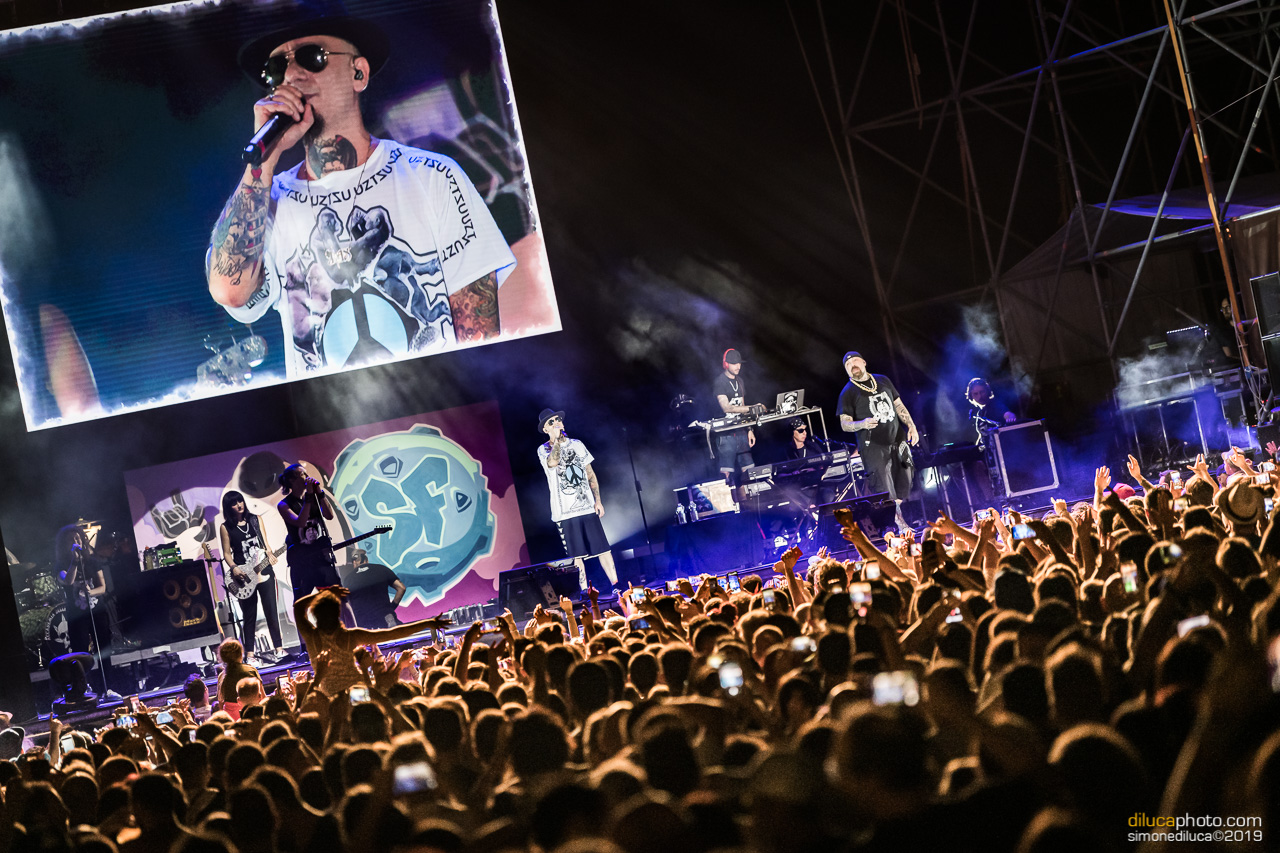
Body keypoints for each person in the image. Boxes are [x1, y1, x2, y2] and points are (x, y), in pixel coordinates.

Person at [206, 15, 517, 374]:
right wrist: (262, 163)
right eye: (276, 69)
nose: (291, 75)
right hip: (333, 408)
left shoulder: (433, 176)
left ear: (359, 74)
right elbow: (230, 290)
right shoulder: (269, 202)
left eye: (312, 57)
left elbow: (480, 334)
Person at [536, 408, 620, 593]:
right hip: (565, 513)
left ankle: (616, 586)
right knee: (577, 555)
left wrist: (598, 500)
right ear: (545, 429)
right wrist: (556, 440)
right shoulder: (544, 449)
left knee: (603, 549)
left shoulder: (577, 444)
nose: (556, 423)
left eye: (558, 419)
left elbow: (590, 473)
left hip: (587, 507)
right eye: (551, 422)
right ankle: (585, 591)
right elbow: (552, 463)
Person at [837, 351, 919, 529]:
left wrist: (911, 426)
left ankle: (896, 518)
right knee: (885, 488)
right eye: (848, 364)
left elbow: (898, 405)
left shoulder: (882, 380)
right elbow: (844, 424)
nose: (852, 365)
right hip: (872, 446)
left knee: (905, 477)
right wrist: (863, 423)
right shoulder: (847, 392)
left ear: (864, 362)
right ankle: (900, 525)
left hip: (897, 438)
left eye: (855, 361)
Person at [219, 491, 286, 664]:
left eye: (240, 501)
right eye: (234, 503)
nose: (239, 505)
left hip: (264, 570)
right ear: (229, 507)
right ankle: (250, 655)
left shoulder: (256, 519)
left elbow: (265, 544)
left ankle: (279, 649)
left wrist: (270, 555)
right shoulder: (226, 527)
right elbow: (227, 553)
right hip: (244, 576)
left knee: (271, 610)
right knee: (249, 615)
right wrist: (234, 568)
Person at [713, 348, 760, 480]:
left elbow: (742, 407)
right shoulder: (720, 382)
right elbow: (726, 408)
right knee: (726, 473)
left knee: (749, 471)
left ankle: (749, 492)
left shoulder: (740, 381)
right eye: (734, 363)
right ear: (726, 364)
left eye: (739, 363)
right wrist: (753, 408)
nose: (738, 366)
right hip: (726, 434)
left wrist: (749, 429)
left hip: (741, 432)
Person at [337, 548, 406, 628]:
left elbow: (345, 603)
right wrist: (392, 607)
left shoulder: (348, 579)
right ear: (366, 560)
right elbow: (401, 588)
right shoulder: (381, 569)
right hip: (385, 615)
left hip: (364, 622)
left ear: (354, 562)